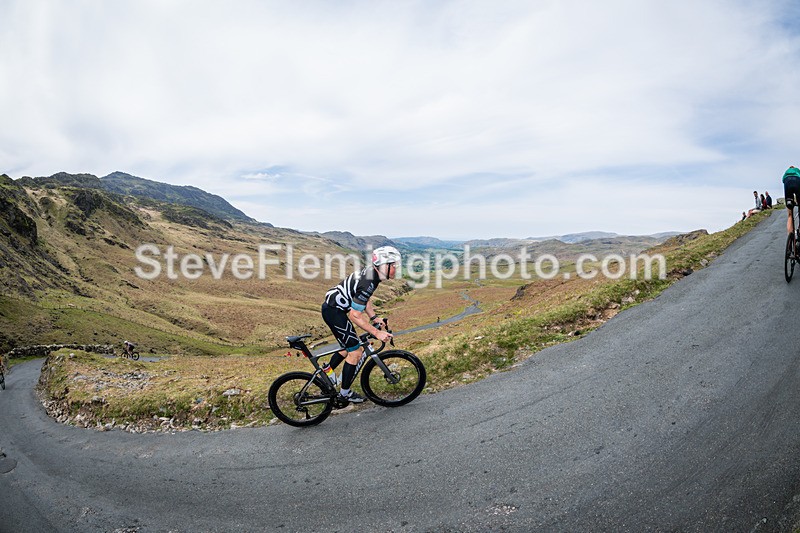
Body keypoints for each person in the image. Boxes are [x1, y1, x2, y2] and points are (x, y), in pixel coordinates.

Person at [321, 246, 400, 404]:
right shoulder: (369, 280)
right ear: (384, 265)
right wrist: (377, 333)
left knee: (347, 347)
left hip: (334, 309)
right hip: (334, 312)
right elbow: (355, 315)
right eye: (394, 265)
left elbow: (364, 298)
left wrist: (373, 317)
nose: (396, 269)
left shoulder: (372, 274)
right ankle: (345, 394)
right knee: (356, 351)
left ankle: (327, 371)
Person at [783, 166, 800, 235]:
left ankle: (790, 235)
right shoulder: (797, 171)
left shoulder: (786, 173)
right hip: (797, 181)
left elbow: (783, 181)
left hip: (787, 183)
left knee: (790, 215)